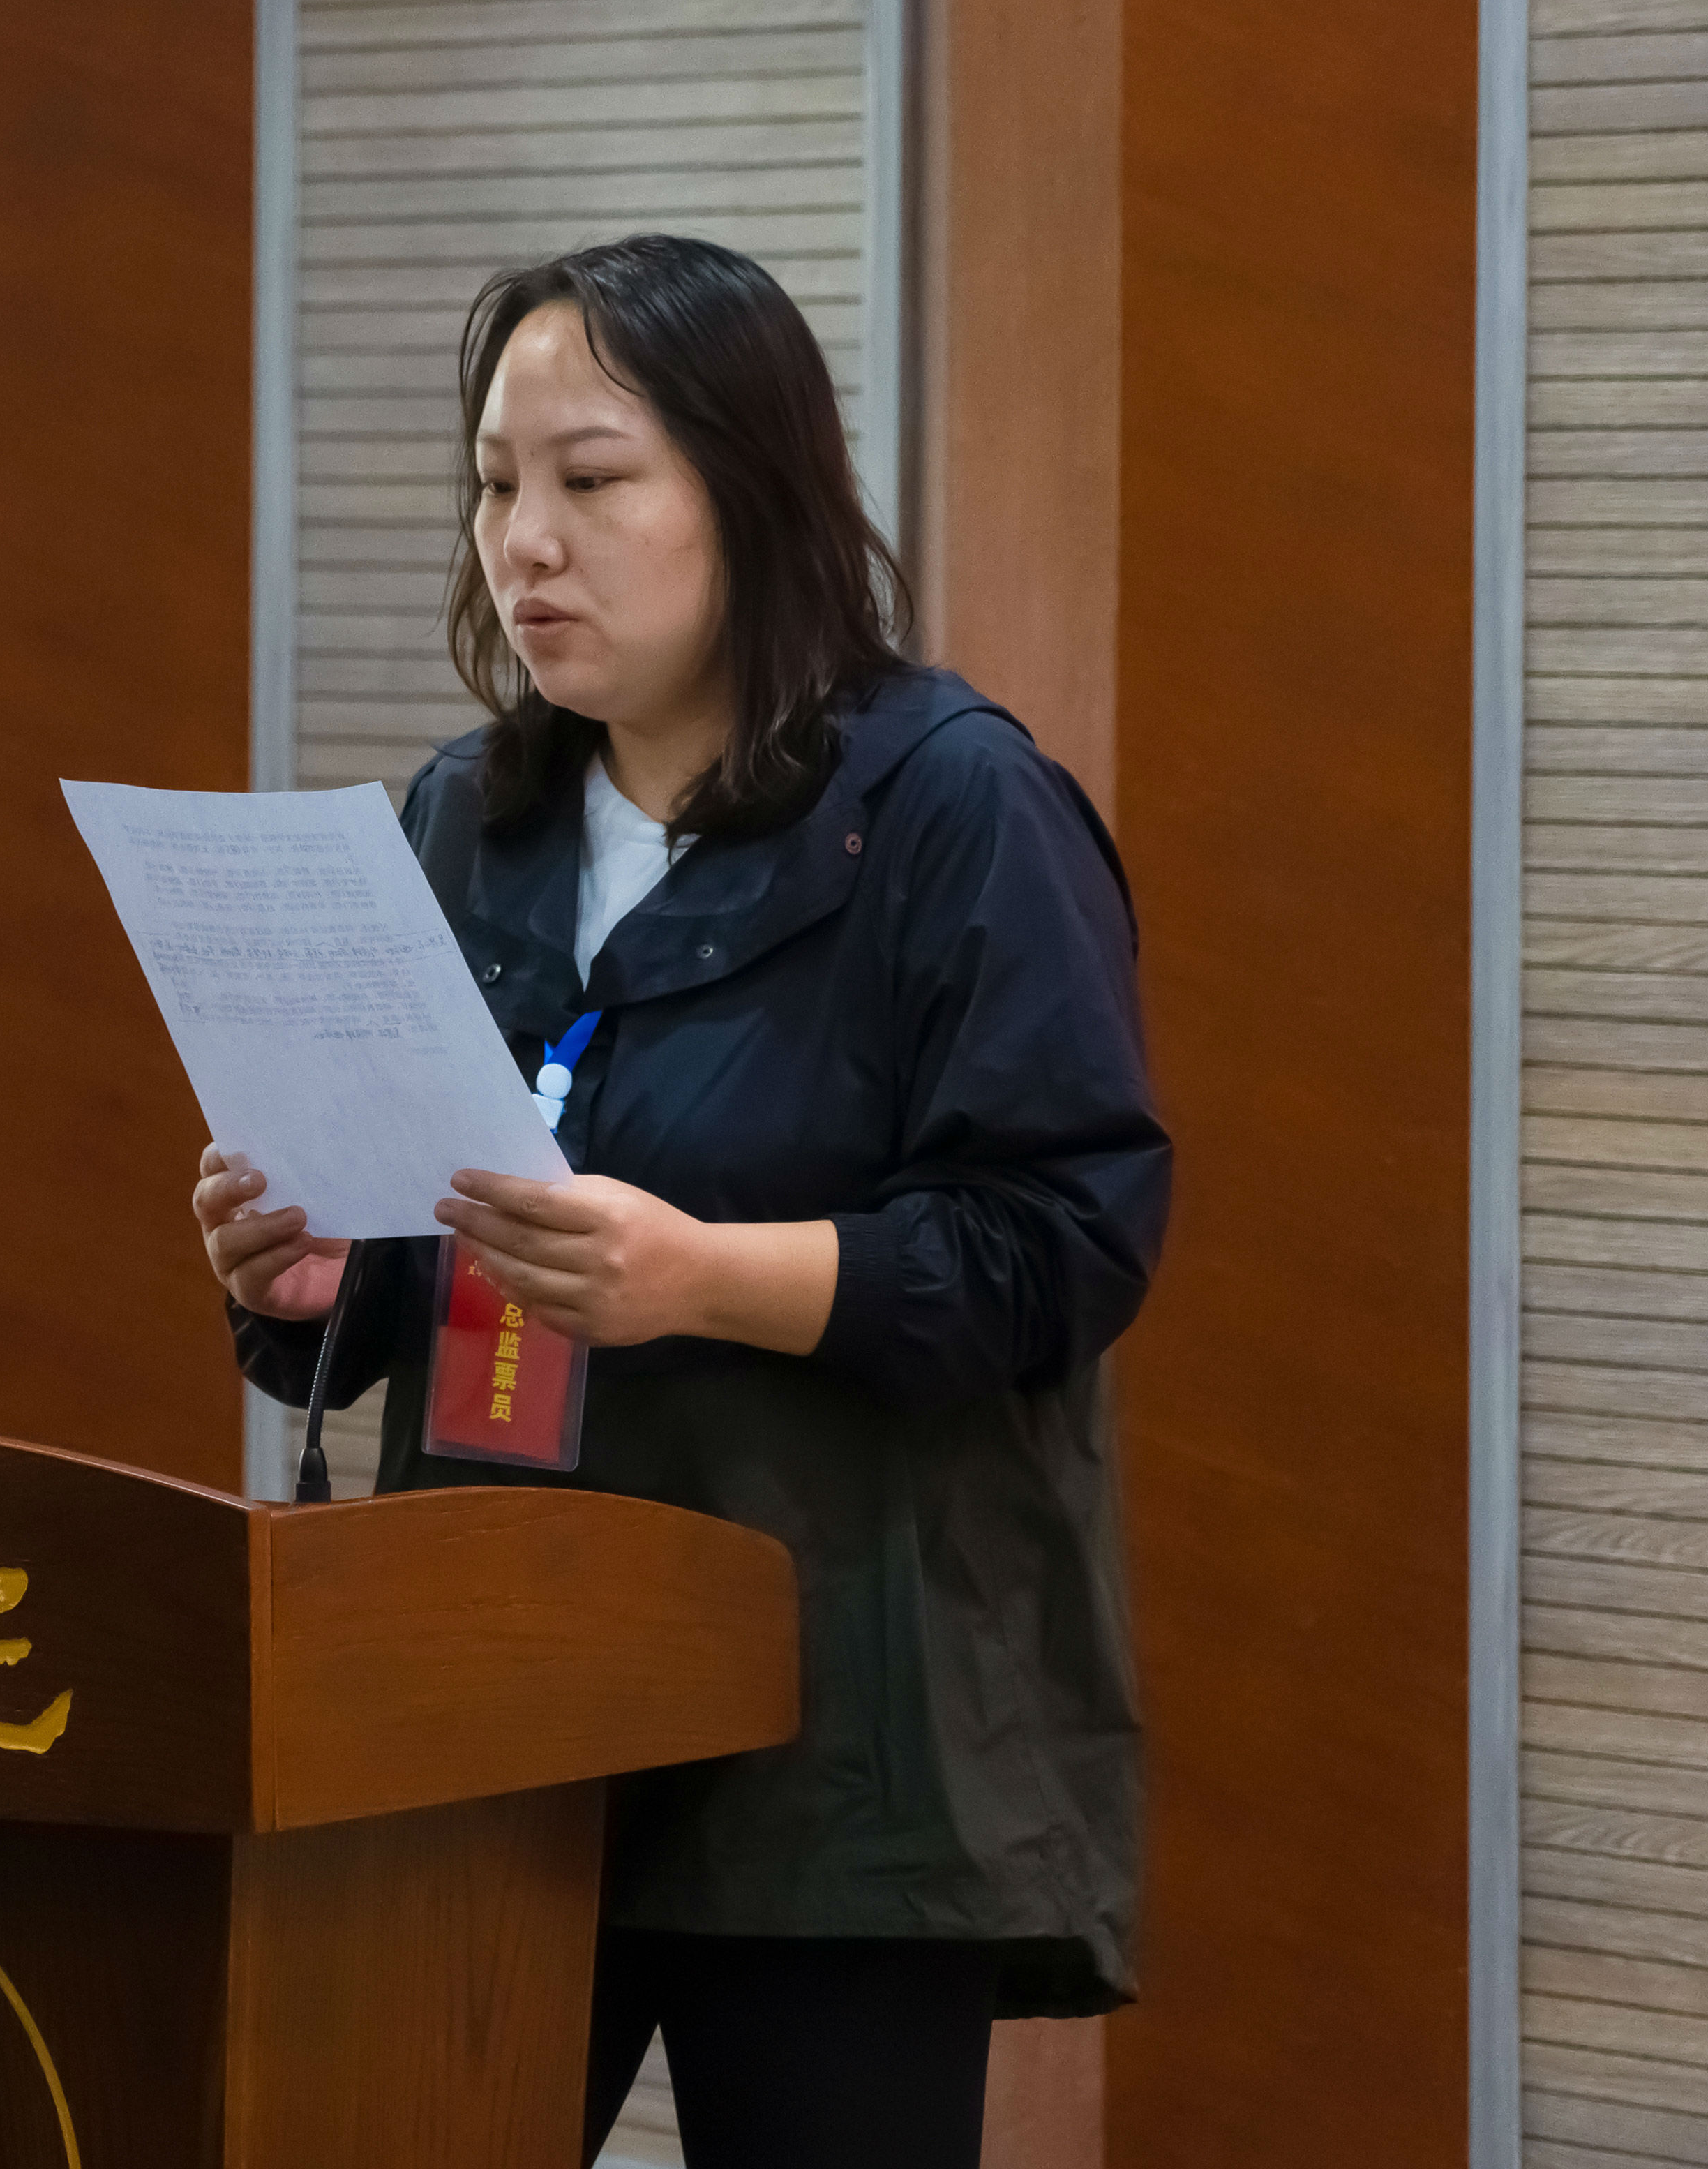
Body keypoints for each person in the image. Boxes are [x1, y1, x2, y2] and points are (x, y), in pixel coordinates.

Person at [189, 234, 1171, 2167]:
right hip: (495, 1702)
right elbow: (421, 1250)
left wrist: (704, 1278)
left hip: (837, 1737)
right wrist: (322, 1281)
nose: (526, 544)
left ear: (749, 489)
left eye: (592, 479)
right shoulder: (463, 817)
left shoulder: (955, 807)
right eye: (497, 486)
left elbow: (1065, 1242)